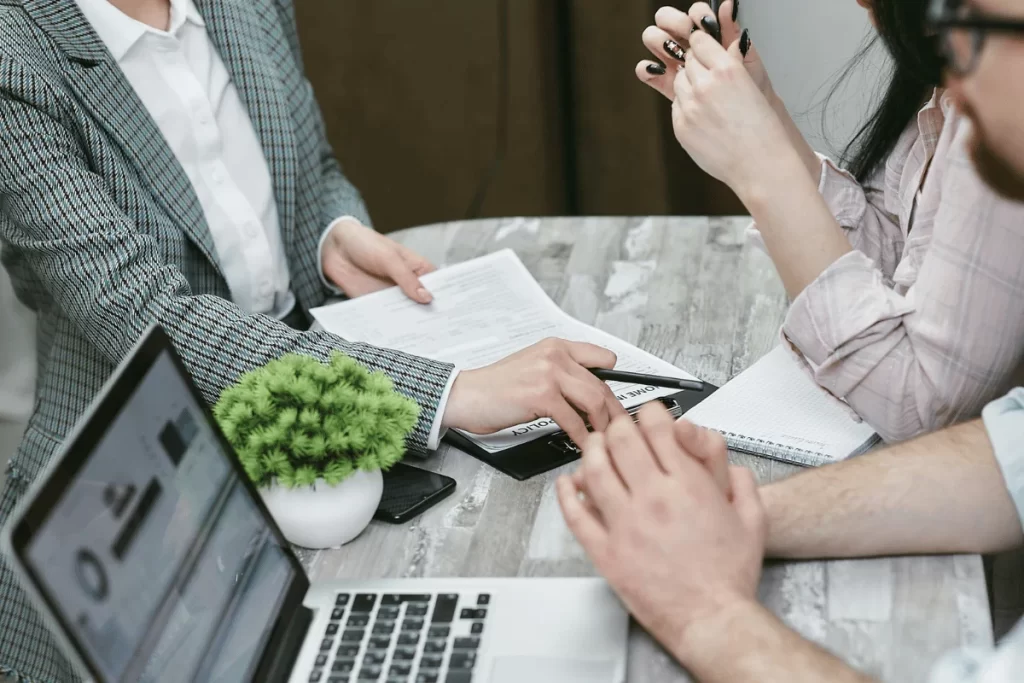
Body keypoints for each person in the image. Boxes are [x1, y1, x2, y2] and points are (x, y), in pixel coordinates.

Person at [0, 0, 626, 679]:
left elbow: (312, 165)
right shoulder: (15, 56)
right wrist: (451, 389)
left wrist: (329, 235)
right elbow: (155, 323)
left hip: (315, 451)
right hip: (139, 529)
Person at [559, 2, 1024, 679]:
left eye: (971, 28)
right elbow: (1009, 451)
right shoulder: (953, 103)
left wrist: (707, 611)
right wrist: (730, 513)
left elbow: (923, 402)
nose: (951, 50)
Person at [638, 0, 1024, 443]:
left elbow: (921, 407)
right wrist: (764, 115)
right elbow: (902, 270)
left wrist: (763, 161)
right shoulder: (954, 79)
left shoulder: (1004, 97)